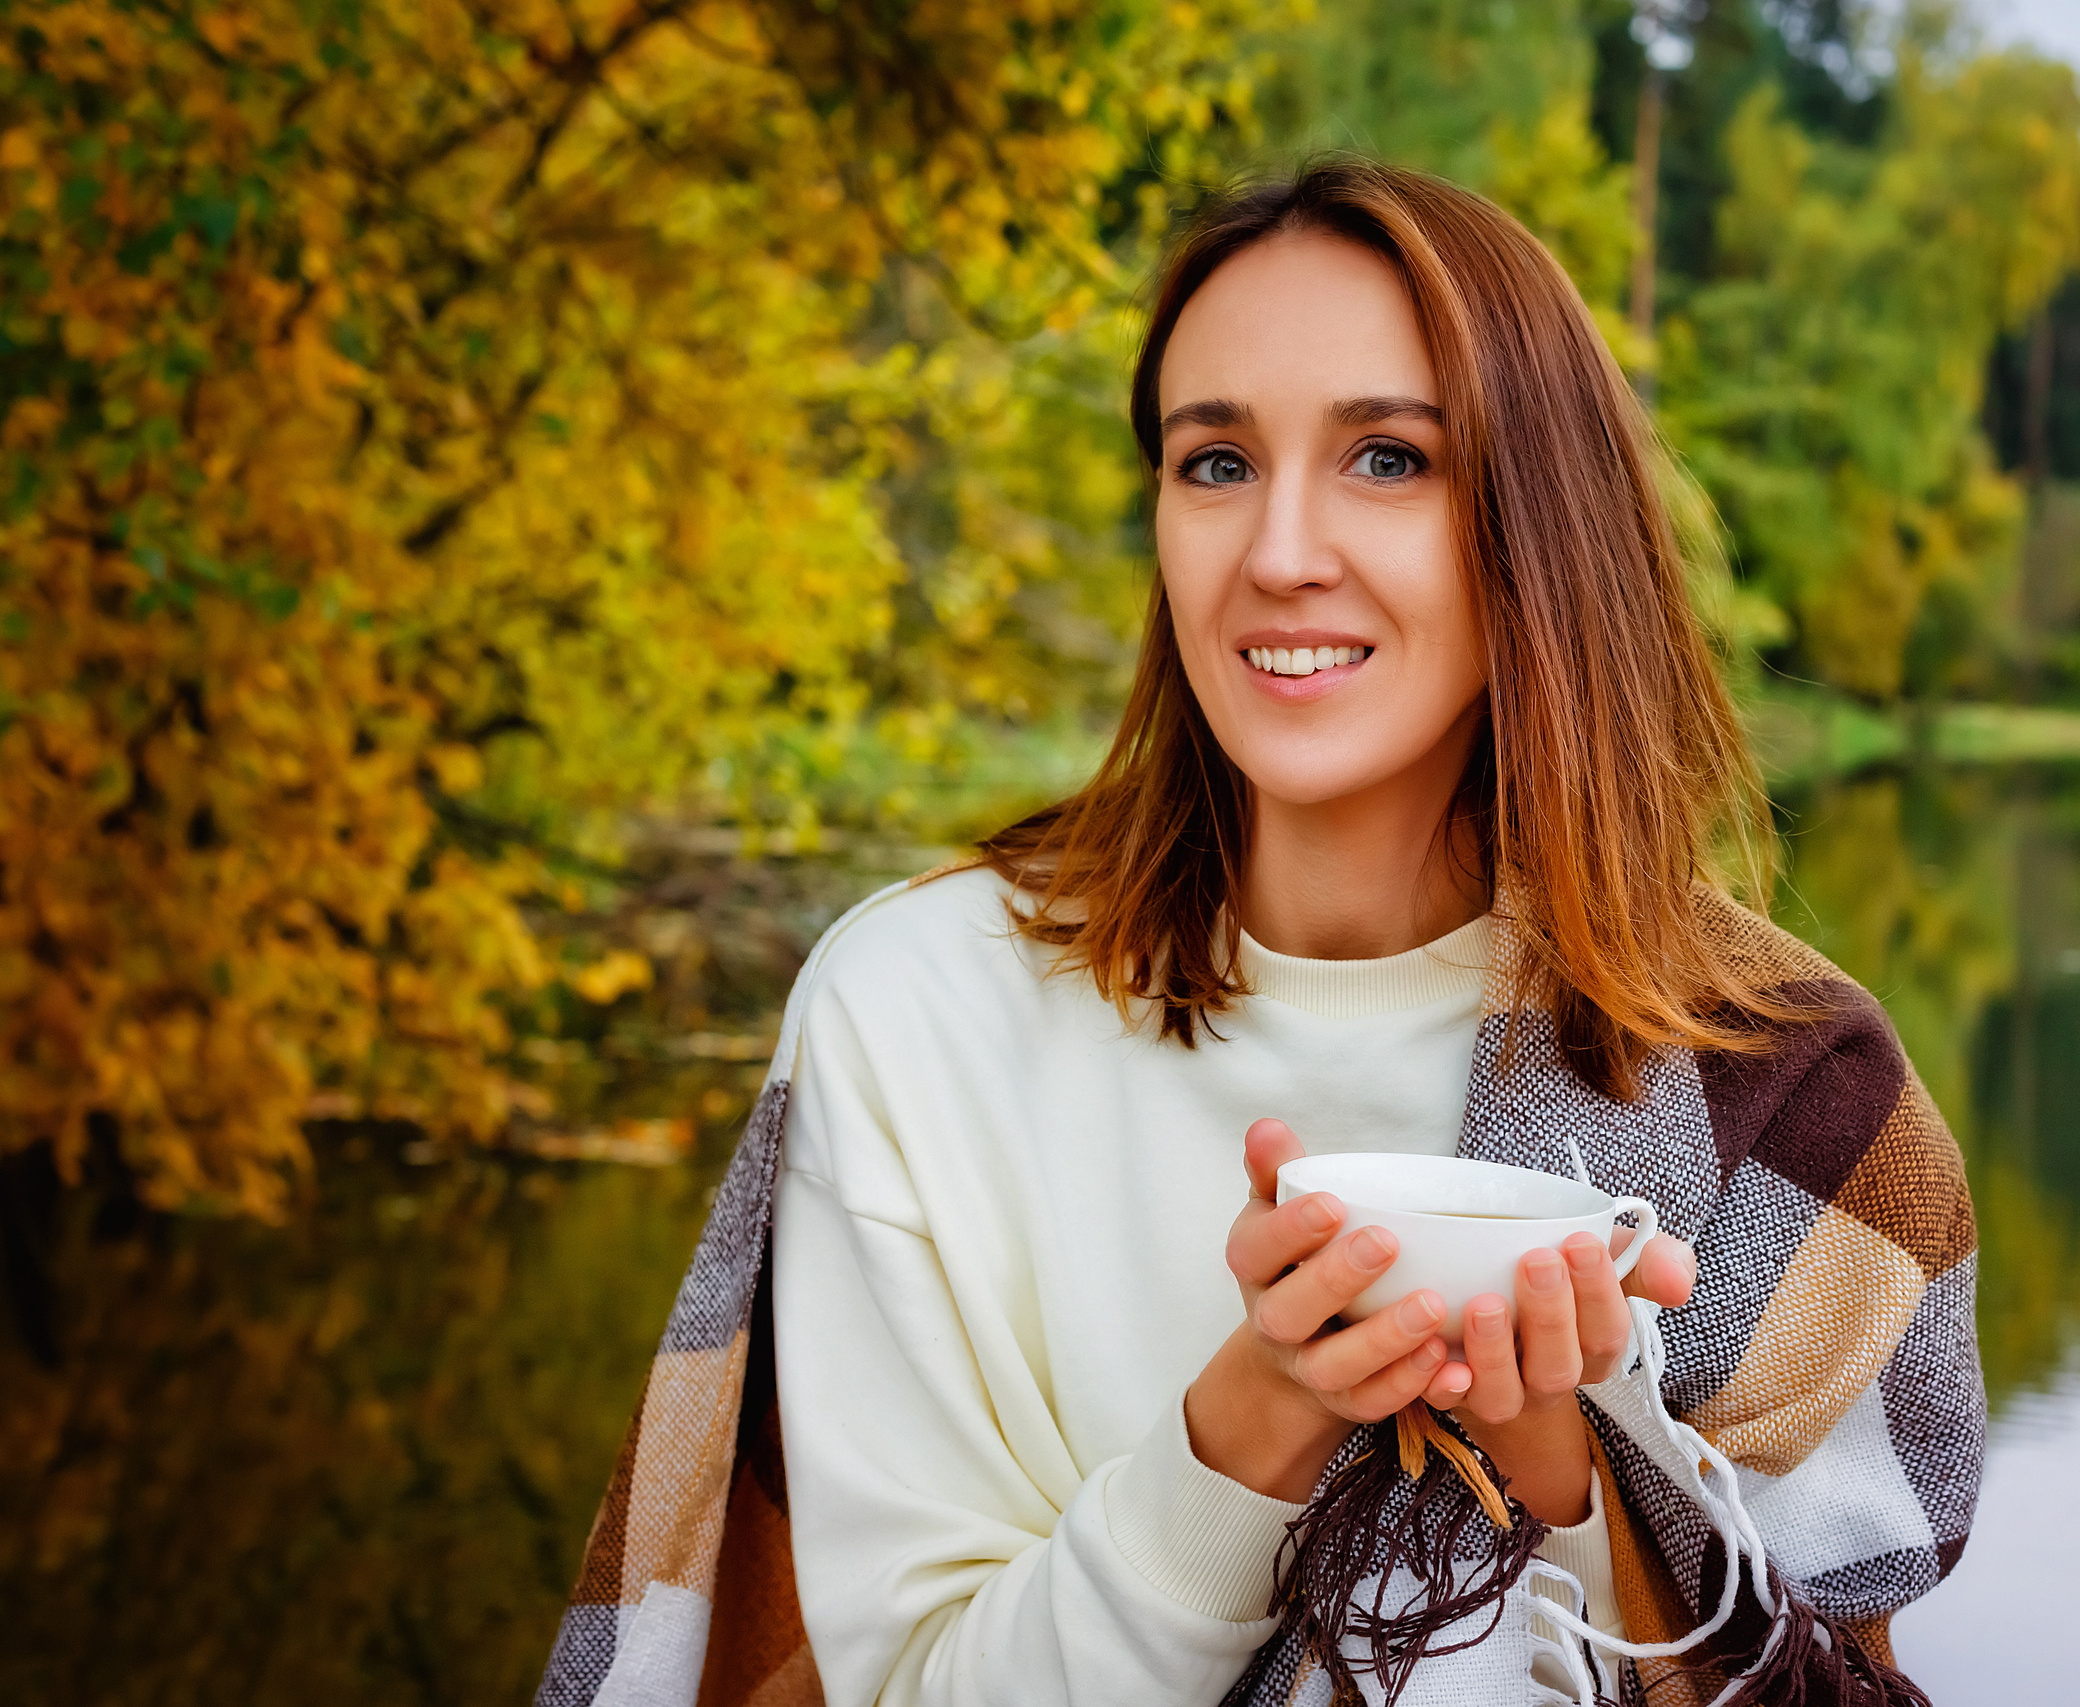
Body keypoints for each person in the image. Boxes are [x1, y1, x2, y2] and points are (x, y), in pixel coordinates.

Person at [537, 160, 1984, 1707]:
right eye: (1214, 462)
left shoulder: (1783, 1084)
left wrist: (1568, 1481)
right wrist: (1248, 1432)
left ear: (1538, 522)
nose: (1280, 550)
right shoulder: (914, 1011)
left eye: (1385, 458)